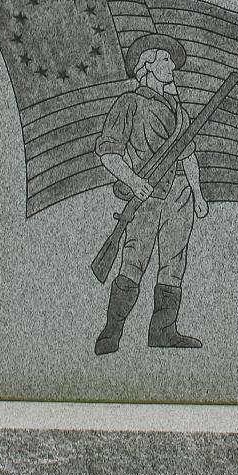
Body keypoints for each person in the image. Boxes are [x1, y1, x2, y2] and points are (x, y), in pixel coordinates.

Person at [94, 33, 208, 355]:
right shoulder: (129, 103)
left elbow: (187, 154)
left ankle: (163, 331)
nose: (171, 65)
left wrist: (197, 194)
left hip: (179, 197)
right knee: (133, 263)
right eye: (164, 60)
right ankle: (111, 332)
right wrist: (132, 181)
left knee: (174, 265)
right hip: (145, 198)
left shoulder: (180, 111)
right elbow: (108, 153)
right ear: (147, 65)